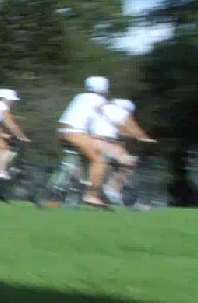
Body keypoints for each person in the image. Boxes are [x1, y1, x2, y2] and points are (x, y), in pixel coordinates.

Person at [57, 76, 152, 207]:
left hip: (62, 131)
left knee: (89, 155)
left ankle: (75, 181)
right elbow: (111, 114)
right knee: (99, 161)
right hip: (75, 133)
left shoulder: (80, 97)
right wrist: (139, 136)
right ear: (103, 88)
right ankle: (91, 195)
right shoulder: (97, 99)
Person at [89, 98, 154, 205]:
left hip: (89, 140)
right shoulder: (118, 113)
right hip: (103, 143)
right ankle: (112, 189)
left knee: (116, 157)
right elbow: (130, 131)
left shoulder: (100, 111)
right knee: (129, 162)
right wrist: (144, 138)